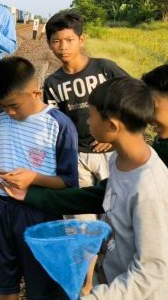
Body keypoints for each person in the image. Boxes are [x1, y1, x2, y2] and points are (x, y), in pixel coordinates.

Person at [19, 62, 168, 300]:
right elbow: (105, 195)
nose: (145, 114)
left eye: (153, 105)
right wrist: (34, 194)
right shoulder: (158, 157)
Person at [0, 56, 79, 299]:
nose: (8, 112)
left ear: (35, 93)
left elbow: (68, 182)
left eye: (14, 106)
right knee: (3, 282)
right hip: (0, 209)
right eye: (3, 106)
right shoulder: (3, 119)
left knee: (40, 284)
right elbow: (2, 161)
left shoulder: (58, 125)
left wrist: (33, 178)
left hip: (38, 211)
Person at [43, 12, 128, 220]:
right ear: (49, 44)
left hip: (110, 153)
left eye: (69, 40)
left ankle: (110, 253)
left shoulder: (105, 69)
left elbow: (134, 97)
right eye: (56, 41)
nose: (63, 47)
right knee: (81, 218)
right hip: (76, 155)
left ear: (81, 40)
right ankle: (87, 252)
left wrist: (117, 137)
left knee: (114, 214)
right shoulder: (52, 83)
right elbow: (54, 123)